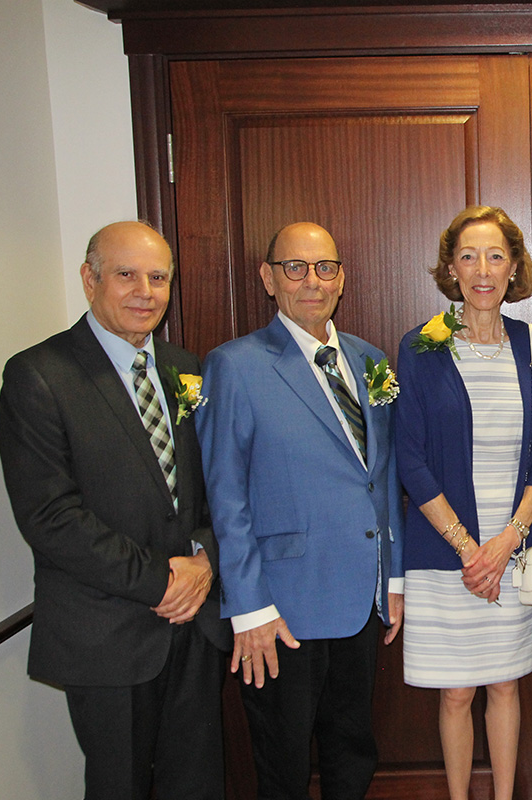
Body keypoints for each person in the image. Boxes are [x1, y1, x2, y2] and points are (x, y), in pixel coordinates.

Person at [0, 221, 229, 800]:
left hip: (194, 625)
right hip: (105, 635)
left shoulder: (185, 367)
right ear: (89, 279)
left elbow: (214, 486)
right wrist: (160, 580)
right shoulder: (38, 376)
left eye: (158, 277)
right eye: (126, 275)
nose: (144, 292)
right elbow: (50, 516)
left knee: (196, 785)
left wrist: (203, 558)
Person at [197, 222, 404, 800]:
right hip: (279, 611)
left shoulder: (369, 361)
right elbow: (226, 497)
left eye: (325, 268)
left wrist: (394, 575)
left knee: (352, 754)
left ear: (342, 278)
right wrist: (248, 607)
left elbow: (381, 479)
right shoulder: (234, 365)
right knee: (282, 766)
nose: (311, 281)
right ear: (268, 278)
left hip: (362, 598)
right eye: (295, 267)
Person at [394, 206, 532, 800]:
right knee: (457, 691)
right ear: (451, 269)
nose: (482, 270)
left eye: (495, 256)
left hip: (510, 550)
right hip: (447, 553)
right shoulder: (421, 346)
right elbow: (409, 458)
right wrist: (469, 550)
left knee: (507, 685)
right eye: (468, 256)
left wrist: (506, 542)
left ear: (514, 266)